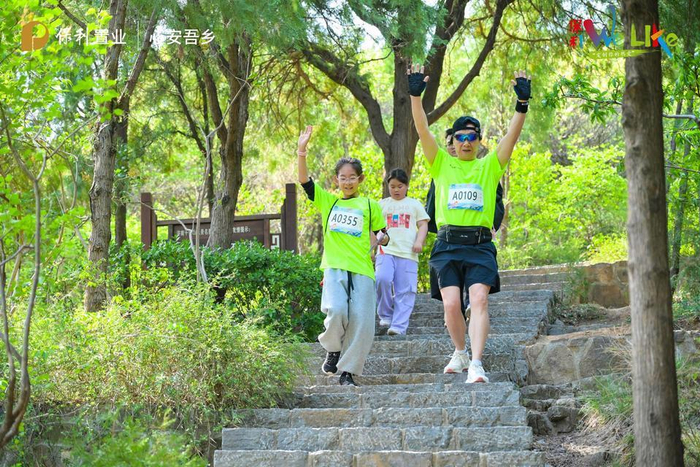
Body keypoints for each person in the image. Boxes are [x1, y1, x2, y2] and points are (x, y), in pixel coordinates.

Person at [408, 64, 531, 383]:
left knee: (478, 299)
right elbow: (422, 130)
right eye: (460, 137)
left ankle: (476, 363)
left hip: (479, 246)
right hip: (447, 245)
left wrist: (521, 104)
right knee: (451, 305)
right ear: (453, 140)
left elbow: (512, 137)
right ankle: (460, 352)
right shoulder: (441, 163)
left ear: (478, 140)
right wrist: (415, 97)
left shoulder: (490, 166)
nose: (466, 142)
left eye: (471, 137)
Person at [297, 125, 389, 387]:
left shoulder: (370, 205)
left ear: (360, 179)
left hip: (362, 270)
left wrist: (382, 238)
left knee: (362, 322)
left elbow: (382, 233)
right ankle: (333, 349)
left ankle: (347, 372)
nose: (347, 182)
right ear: (336, 180)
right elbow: (304, 181)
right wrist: (302, 151)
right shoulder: (329, 202)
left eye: (352, 178)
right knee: (336, 310)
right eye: (343, 177)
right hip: (334, 267)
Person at [427, 130, 506, 318]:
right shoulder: (441, 167)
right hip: (448, 237)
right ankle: (456, 313)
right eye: (453, 142)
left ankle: (471, 303)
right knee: (451, 291)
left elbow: (495, 199)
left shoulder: (484, 169)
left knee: (475, 284)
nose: (463, 144)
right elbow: (432, 199)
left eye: (470, 138)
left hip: (477, 238)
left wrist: (492, 225)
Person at [375, 168, 430, 335]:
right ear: (388, 186)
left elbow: (423, 224)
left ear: (406, 186)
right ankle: (385, 315)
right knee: (382, 278)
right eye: (392, 186)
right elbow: (373, 228)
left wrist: (419, 241)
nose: (396, 190)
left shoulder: (414, 204)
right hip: (385, 250)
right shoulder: (381, 204)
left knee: (405, 290)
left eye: (400, 186)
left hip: (408, 253)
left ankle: (398, 327)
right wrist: (372, 244)